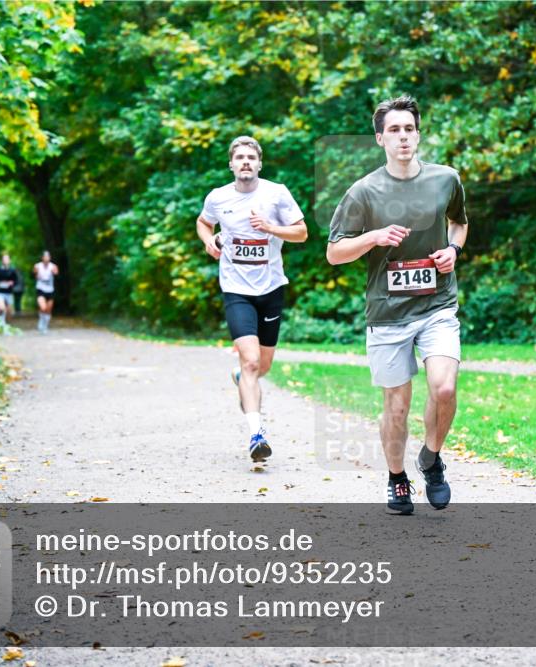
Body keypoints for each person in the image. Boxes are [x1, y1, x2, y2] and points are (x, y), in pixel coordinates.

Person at [326, 95, 468, 515]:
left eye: (409, 129)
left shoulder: (446, 179)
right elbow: (335, 252)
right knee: (398, 405)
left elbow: (459, 223)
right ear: (379, 138)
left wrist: (453, 252)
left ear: (418, 134)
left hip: (437, 304)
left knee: (444, 387)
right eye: (394, 130)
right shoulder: (363, 192)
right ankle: (397, 478)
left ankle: (430, 457)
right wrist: (373, 237)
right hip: (387, 312)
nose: (402, 137)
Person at [196, 136, 308, 463]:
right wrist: (208, 241)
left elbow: (301, 233)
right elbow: (204, 223)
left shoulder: (277, 193)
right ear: (231, 164)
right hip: (236, 288)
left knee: (263, 366)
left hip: (271, 288)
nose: (245, 162)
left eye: (251, 158)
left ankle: (241, 380)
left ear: (259, 163)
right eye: (239, 157)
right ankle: (256, 435)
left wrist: (271, 227)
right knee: (251, 362)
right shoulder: (218, 197)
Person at [33, 251, 59, 333]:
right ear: (42, 258)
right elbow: (34, 275)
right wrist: (37, 275)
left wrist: (54, 271)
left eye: (48, 257)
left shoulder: (53, 266)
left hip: (50, 290)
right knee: (43, 307)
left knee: (48, 309)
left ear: (50, 258)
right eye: (45, 257)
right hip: (40, 289)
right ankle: (41, 321)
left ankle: (45, 325)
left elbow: (56, 273)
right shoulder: (37, 266)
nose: (46, 258)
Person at [0, 254, 17, 323]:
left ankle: (5, 323)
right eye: (4, 259)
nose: (5, 261)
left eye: (7, 259)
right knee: (2, 308)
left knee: (9, 311)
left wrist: (12, 283)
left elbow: (16, 281)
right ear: (2, 261)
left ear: (9, 261)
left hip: (9, 293)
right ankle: (1, 324)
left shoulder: (13, 270)